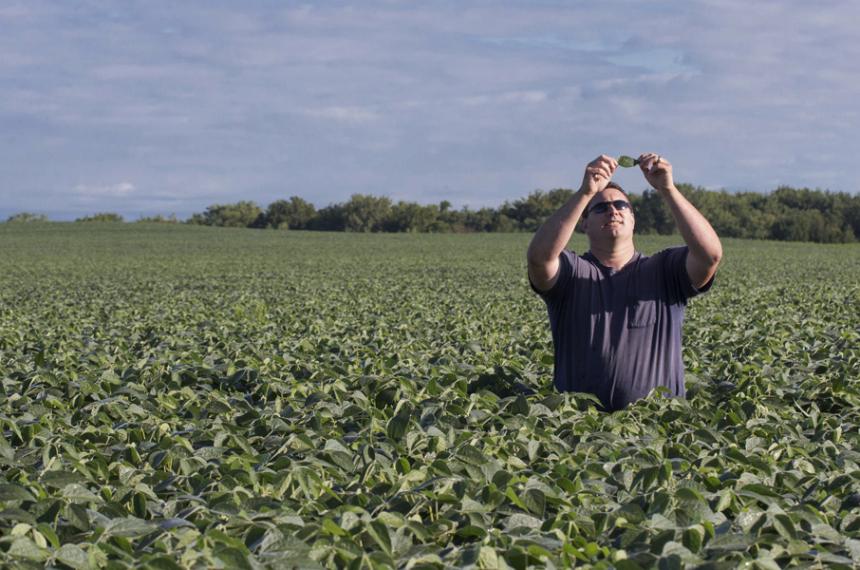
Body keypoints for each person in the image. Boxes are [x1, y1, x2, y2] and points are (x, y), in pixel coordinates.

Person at [527, 153, 722, 411]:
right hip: (580, 428)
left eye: (621, 205)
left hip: (660, 425)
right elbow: (539, 258)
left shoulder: (664, 270)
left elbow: (710, 255)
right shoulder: (571, 273)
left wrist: (668, 189)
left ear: (633, 219)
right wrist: (585, 192)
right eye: (600, 207)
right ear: (584, 223)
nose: (613, 210)